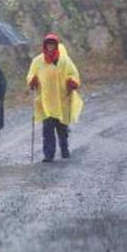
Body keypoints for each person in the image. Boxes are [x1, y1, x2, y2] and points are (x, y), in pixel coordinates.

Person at [26, 33, 83, 162]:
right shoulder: (38, 61)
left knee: (62, 128)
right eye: (48, 44)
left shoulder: (65, 61)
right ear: (45, 45)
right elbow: (30, 75)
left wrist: (72, 82)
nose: (50, 46)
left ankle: (64, 149)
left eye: (52, 44)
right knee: (48, 130)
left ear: (56, 45)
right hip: (45, 100)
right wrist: (32, 81)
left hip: (62, 99)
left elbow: (74, 74)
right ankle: (49, 154)